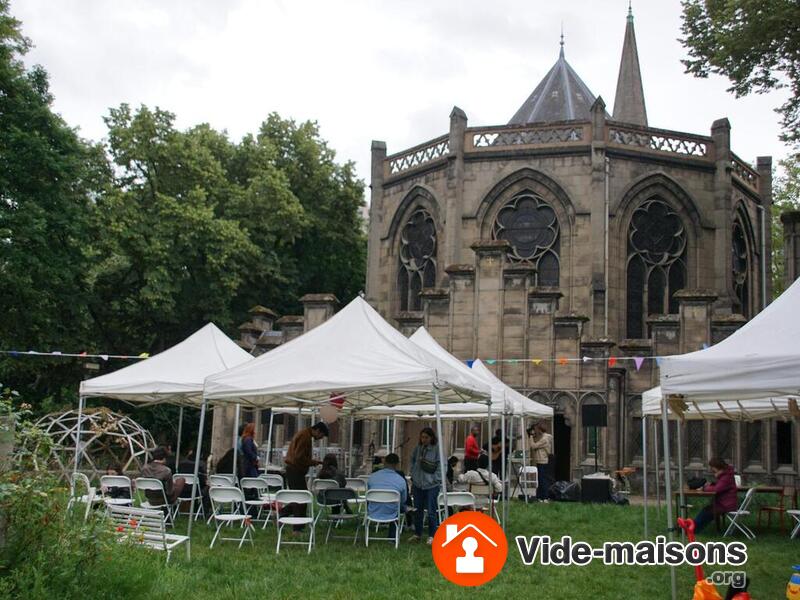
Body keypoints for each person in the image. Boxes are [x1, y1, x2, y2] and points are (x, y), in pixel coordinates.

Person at [282, 421, 329, 531]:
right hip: (295, 470)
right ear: (317, 430)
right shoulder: (305, 437)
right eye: (321, 435)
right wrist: (313, 462)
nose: (320, 438)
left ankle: (282, 514)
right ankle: (297, 528)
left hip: (294, 470)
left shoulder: (304, 434)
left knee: (299, 498)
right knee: (301, 499)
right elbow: (299, 457)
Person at [409, 427, 441, 544]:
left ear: (431, 437)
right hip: (418, 484)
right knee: (418, 510)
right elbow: (412, 460)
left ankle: (432, 535)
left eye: (426, 437)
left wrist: (435, 479)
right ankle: (417, 533)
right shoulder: (418, 448)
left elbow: (442, 465)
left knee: (431, 510)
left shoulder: (437, 449)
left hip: (431, 485)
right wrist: (412, 473)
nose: (423, 440)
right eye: (422, 437)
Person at [367, 453, 408, 538]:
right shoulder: (401, 480)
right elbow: (403, 500)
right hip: (392, 510)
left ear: (384, 462)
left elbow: (368, 494)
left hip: (373, 509)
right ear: (397, 464)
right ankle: (392, 537)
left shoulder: (372, 477)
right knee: (399, 506)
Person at [692, 458, 738, 534]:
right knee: (707, 510)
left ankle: (693, 529)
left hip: (725, 505)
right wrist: (712, 484)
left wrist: (704, 488)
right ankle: (694, 527)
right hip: (724, 503)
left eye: (713, 468)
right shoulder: (726, 474)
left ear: (718, 467)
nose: (712, 470)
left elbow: (716, 489)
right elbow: (720, 486)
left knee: (706, 512)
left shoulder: (726, 477)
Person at [528, 422, 553, 501]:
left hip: (542, 461)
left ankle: (545, 497)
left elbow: (533, 446)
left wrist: (531, 437)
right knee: (541, 479)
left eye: (536, 429)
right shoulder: (545, 437)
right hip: (541, 460)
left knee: (542, 480)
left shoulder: (545, 439)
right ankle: (540, 496)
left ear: (539, 429)